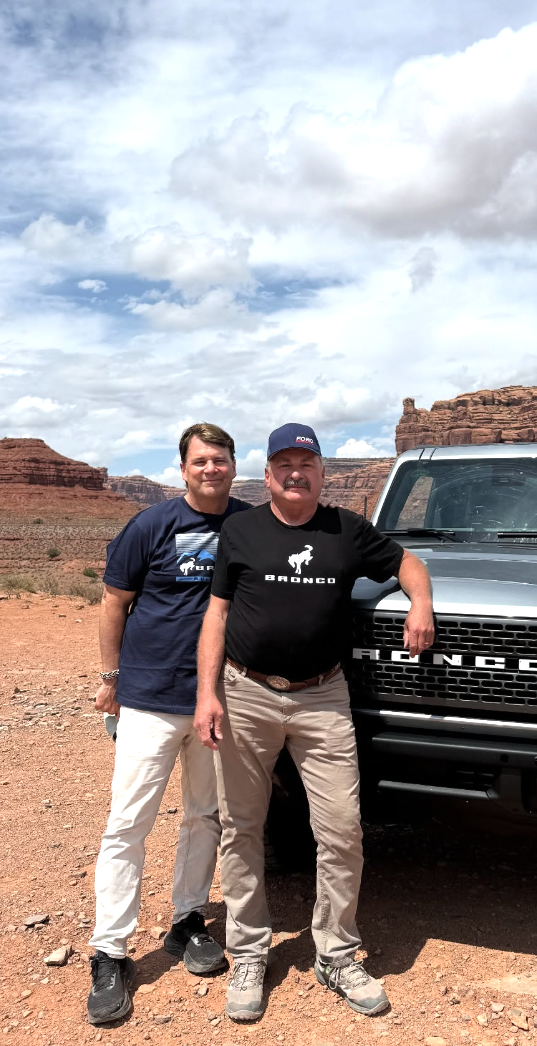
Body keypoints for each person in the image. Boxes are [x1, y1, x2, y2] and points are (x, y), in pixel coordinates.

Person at [193, 422, 435, 1022]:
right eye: (285, 463)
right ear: (269, 473)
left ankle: (336, 951)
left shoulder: (346, 529)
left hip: (323, 697)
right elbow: (217, 615)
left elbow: (408, 564)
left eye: (307, 462)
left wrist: (422, 604)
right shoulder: (242, 531)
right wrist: (208, 694)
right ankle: (248, 950)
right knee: (242, 828)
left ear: (322, 473)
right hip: (246, 692)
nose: (295, 472)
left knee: (342, 829)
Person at [87, 422, 250, 1026]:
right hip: (151, 697)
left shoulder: (248, 526)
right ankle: (110, 951)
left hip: (217, 701)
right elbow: (113, 601)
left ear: (234, 466)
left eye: (221, 459)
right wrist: (110, 678)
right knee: (128, 822)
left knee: (204, 815)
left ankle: (187, 920)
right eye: (201, 460)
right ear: (183, 469)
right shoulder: (150, 526)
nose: (212, 468)